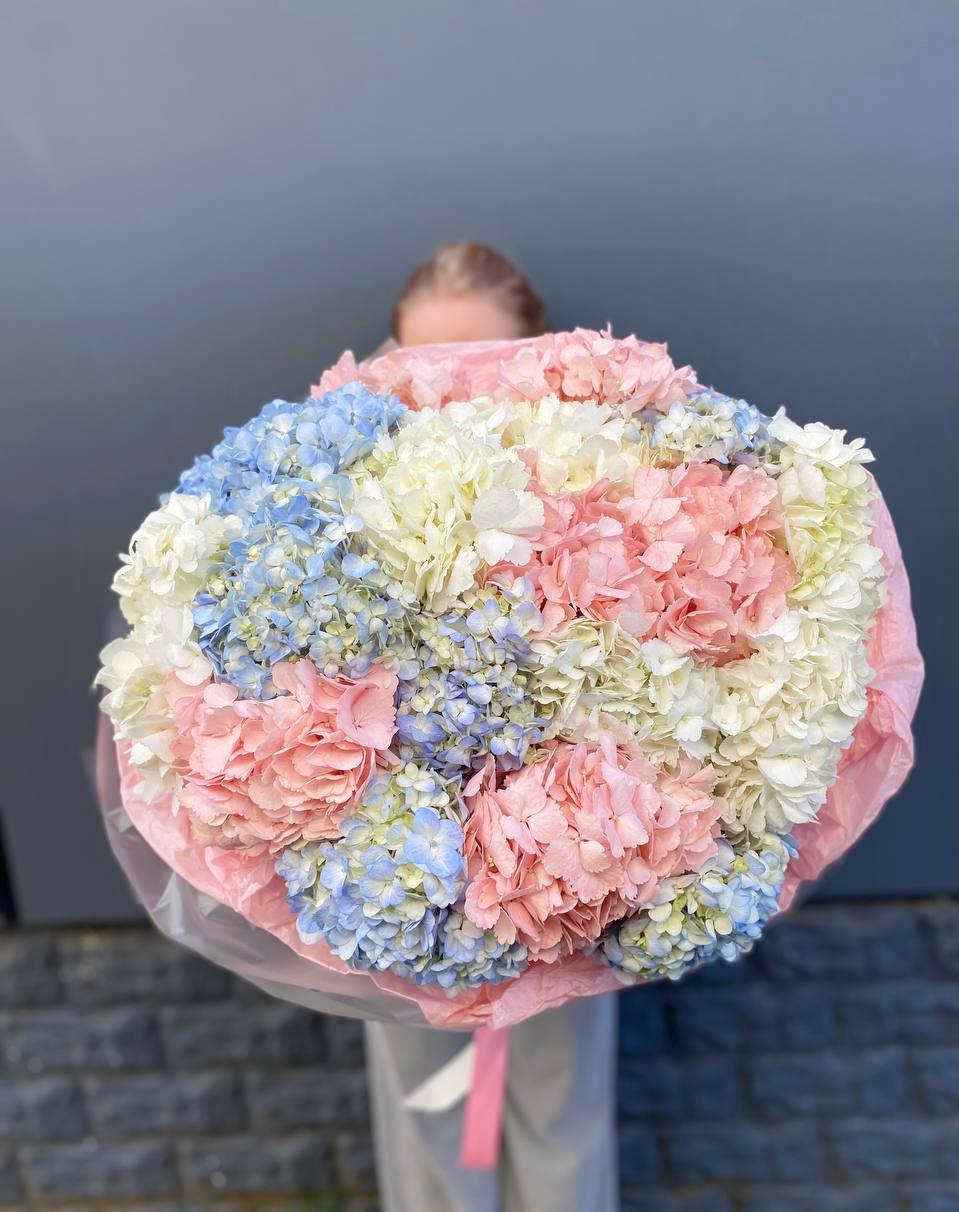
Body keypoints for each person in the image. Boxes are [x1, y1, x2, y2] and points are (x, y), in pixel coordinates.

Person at [364, 241, 620, 1212]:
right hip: (396, 865)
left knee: (561, 1103)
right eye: (422, 364)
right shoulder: (346, 482)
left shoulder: (604, 479)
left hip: (567, 857)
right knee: (426, 1110)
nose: (452, 390)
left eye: (482, 362)